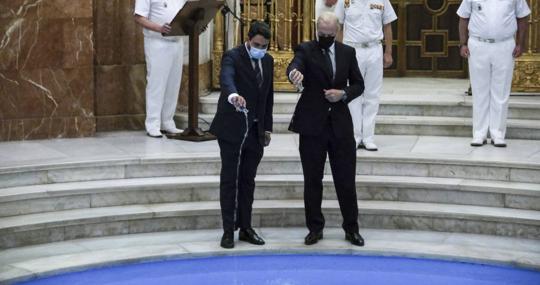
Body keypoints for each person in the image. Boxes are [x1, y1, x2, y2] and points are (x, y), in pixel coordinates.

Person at [287, 12, 365, 247]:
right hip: (312, 126)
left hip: (340, 126)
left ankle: (351, 228)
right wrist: (293, 74)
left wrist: (343, 94)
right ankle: (314, 228)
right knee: (312, 180)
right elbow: (295, 65)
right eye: (322, 34)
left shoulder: (347, 53)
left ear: (337, 32)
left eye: (330, 35)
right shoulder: (306, 49)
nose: (326, 38)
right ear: (316, 31)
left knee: (346, 180)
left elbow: (359, 84)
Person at [209, 21, 274, 249]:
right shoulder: (232, 56)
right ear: (248, 40)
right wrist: (234, 95)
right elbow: (227, 79)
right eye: (257, 44)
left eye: (264, 45)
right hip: (232, 129)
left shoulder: (267, 60)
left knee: (248, 181)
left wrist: (266, 128)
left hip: (255, 132)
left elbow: (268, 96)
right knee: (230, 179)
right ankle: (228, 230)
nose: (260, 49)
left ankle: (246, 227)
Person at [457, 0, 530, 147]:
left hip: (504, 45)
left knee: (501, 91)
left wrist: (521, 43)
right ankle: (479, 133)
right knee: (479, 91)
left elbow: (523, 18)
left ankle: (498, 133)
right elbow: (463, 18)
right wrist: (463, 43)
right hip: (478, 45)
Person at [334, 0, 397, 151]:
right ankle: (355, 136)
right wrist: (337, 52)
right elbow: (338, 26)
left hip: (374, 48)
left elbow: (387, 25)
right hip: (352, 49)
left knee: (372, 94)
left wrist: (388, 52)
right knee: (353, 94)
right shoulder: (345, 1)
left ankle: (368, 137)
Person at [134, 0, 186, 138]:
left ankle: (167, 122)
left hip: (177, 41)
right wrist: (159, 28)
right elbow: (139, 17)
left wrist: (197, 24)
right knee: (157, 84)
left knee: (173, 85)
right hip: (157, 41)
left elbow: (187, 11)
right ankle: (153, 124)